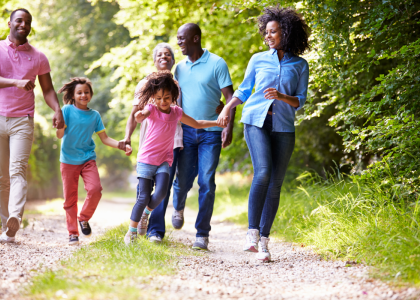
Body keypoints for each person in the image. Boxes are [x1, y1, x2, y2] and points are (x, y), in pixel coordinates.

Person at [218, 6, 310, 261]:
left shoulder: (300, 65)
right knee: (263, 172)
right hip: (255, 121)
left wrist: (282, 96)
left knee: (276, 183)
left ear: (286, 32)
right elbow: (245, 90)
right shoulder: (258, 59)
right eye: (266, 32)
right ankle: (252, 233)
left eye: (273, 32)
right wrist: (227, 107)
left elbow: (300, 101)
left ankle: (265, 243)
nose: (268, 36)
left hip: (283, 127)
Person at [118, 43, 224, 243]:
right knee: (146, 193)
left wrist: (216, 108)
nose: (164, 57)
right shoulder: (145, 85)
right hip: (150, 147)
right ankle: (153, 231)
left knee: (169, 187)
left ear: (174, 60)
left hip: (176, 142)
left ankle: (157, 215)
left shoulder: (178, 84)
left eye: (168, 54)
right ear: (154, 59)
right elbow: (137, 114)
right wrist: (128, 136)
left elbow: (192, 110)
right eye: (159, 54)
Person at [0, 8, 65, 243]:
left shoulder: (38, 57)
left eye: (27, 22)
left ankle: (14, 219)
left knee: (17, 171)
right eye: (19, 20)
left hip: (22, 121)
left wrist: (57, 110)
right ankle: (5, 223)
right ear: (9, 23)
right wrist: (15, 82)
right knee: (1, 177)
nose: (23, 25)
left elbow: (47, 89)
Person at [171, 23, 236, 251]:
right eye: (177, 38)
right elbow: (173, 100)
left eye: (182, 38)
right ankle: (177, 206)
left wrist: (228, 127)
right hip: (187, 132)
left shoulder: (217, 63)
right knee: (183, 180)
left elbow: (230, 98)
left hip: (212, 132)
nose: (179, 42)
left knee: (206, 182)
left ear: (195, 38)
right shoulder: (178, 68)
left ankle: (202, 234)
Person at [56, 77, 131, 245]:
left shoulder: (94, 115)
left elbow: (104, 138)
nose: (83, 95)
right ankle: (73, 233)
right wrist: (59, 125)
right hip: (68, 160)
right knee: (69, 199)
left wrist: (121, 145)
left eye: (86, 92)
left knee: (96, 189)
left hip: (87, 159)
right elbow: (60, 135)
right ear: (73, 95)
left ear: (91, 94)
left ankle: (83, 218)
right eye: (79, 92)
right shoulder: (66, 110)